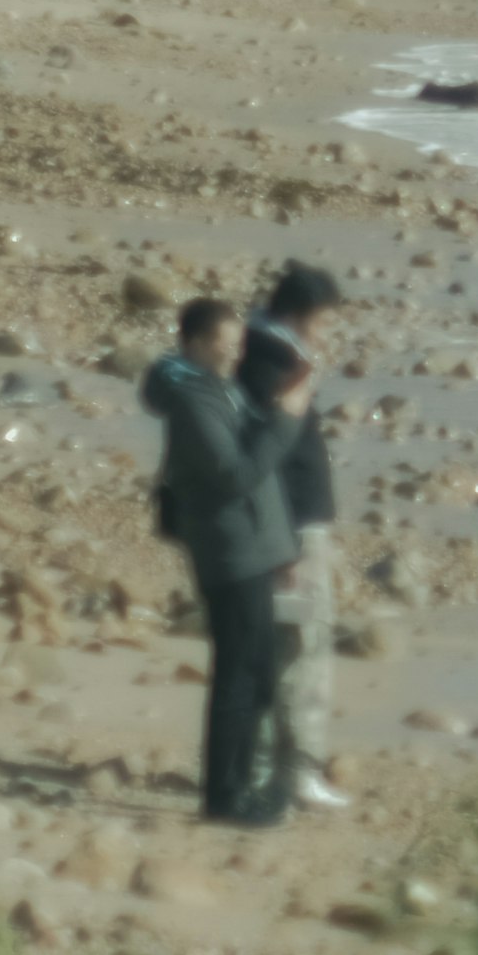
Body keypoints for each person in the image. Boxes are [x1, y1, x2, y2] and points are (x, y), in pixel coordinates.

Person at [141, 296, 310, 825]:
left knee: (258, 669)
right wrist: (284, 422)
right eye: (225, 339)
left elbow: (256, 476)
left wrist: (282, 549)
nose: (237, 347)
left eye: (238, 338)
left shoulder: (220, 388)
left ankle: (244, 785)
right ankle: (224, 796)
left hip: (254, 549)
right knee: (239, 672)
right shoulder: (192, 400)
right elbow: (236, 475)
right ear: (194, 343)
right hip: (227, 553)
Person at [241, 260, 350, 810]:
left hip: (275, 524)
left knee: (273, 644)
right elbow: (267, 459)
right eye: (324, 321)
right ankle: (294, 770)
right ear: (301, 315)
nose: (326, 333)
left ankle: (262, 768)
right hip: (289, 526)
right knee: (301, 647)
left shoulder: (257, 352)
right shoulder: (271, 362)